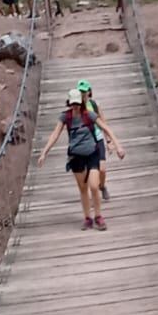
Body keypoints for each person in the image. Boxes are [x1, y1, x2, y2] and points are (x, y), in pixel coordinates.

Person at [37, 89, 124, 230]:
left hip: (92, 154)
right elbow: (55, 134)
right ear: (69, 103)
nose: (75, 106)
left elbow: (106, 128)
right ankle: (87, 218)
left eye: (77, 103)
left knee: (94, 186)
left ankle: (98, 216)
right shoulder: (66, 117)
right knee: (83, 188)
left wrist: (117, 146)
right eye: (73, 104)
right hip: (76, 156)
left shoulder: (88, 115)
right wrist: (44, 152)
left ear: (81, 103)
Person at [77, 78, 120, 201]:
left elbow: (103, 123)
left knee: (102, 169)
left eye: (84, 91)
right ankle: (93, 194)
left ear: (89, 92)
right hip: (84, 142)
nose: (82, 94)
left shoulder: (95, 105)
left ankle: (102, 186)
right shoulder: (76, 108)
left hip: (98, 138)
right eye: (80, 91)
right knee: (89, 171)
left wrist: (109, 141)